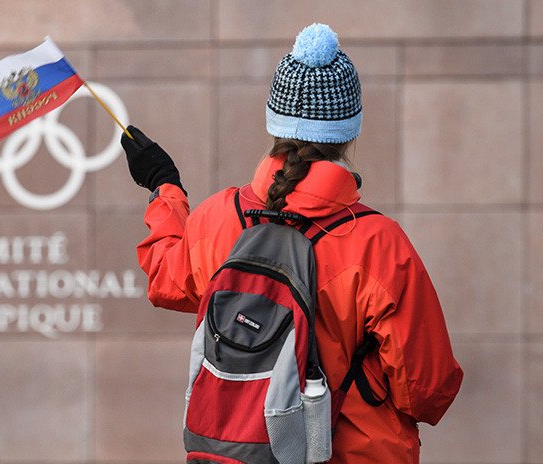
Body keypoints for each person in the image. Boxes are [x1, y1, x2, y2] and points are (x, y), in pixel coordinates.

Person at [119, 23, 463, 464]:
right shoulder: (378, 244)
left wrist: (164, 187)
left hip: (238, 452)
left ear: (274, 121)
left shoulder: (222, 215)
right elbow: (427, 391)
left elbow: (166, 279)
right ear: (348, 131)